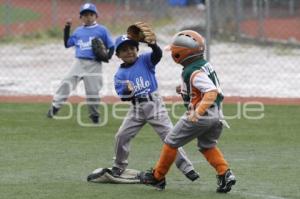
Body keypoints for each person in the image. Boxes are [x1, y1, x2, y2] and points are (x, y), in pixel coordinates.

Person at [139, 30, 236, 193]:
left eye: (174, 51)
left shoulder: (193, 72)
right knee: (207, 145)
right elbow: (205, 85)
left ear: (180, 53)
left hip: (202, 114)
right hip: (217, 114)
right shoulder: (203, 64)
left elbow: (211, 92)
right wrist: (185, 89)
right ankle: (225, 173)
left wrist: (198, 112)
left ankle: (157, 176)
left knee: (171, 141)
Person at [108, 33, 199, 182]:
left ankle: (186, 167)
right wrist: (127, 90)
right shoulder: (120, 75)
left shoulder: (144, 60)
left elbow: (157, 55)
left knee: (170, 136)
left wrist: (152, 44)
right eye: (124, 50)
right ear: (118, 55)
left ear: (137, 49)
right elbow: (124, 97)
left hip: (154, 105)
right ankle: (118, 166)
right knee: (121, 136)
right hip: (136, 108)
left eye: (132, 48)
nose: (129, 51)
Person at [47, 3, 114, 124]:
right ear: (81, 17)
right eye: (84, 15)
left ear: (96, 16)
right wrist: (67, 29)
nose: (88, 17)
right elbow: (67, 44)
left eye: (91, 14)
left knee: (93, 92)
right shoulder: (78, 31)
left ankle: (94, 115)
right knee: (66, 83)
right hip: (79, 62)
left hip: (94, 64)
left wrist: (108, 56)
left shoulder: (102, 30)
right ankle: (54, 107)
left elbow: (111, 45)